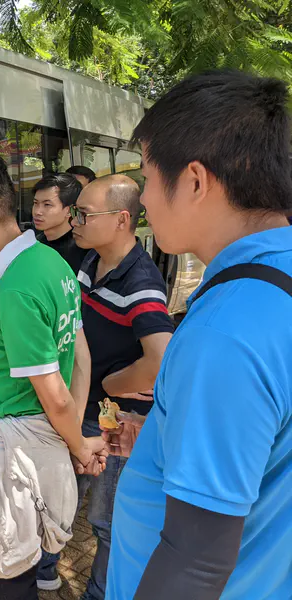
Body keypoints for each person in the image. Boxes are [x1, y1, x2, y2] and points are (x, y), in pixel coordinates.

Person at [107, 70, 292, 600]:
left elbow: (196, 560)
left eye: (145, 175)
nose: (141, 198)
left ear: (193, 180)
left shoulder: (224, 333)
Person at [0, 154, 105, 599]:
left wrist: (78, 444)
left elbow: (56, 397)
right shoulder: (52, 264)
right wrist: (70, 438)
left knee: (5, 577)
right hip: (20, 439)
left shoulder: (17, 290)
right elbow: (81, 356)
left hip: (17, 455)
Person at [36, 175, 174, 597]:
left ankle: (100, 591)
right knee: (59, 491)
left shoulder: (142, 282)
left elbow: (160, 359)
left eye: (84, 213)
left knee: (107, 518)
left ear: (121, 219)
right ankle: (44, 569)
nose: (75, 220)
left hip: (117, 420)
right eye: (75, 211)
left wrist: (109, 382)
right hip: (82, 406)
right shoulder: (88, 261)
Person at [32, 173, 89, 274]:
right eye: (36, 203)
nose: (37, 212)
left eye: (47, 205)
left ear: (68, 210)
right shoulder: (34, 243)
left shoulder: (82, 250)